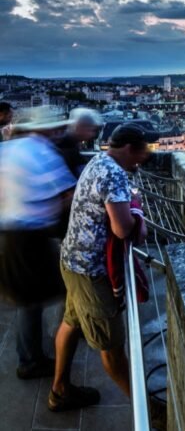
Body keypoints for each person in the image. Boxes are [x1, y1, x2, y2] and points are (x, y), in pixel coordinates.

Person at [50, 124, 153, 411]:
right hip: (91, 271)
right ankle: (151, 413)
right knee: (112, 348)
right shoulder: (115, 173)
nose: (143, 159)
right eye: (142, 152)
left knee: (70, 324)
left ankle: (59, 390)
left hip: (71, 259)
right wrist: (139, 218)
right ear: (130, 149)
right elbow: (124, 230)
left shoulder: (98, 160)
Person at [0, 106, 78, 381]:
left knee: (28, 300)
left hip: (10, 235)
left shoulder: (9, 149)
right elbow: (69, 194)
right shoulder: (41, 151)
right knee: (45, 295)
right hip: (32, 238)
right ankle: (33, 360)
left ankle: (31, 355)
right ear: (44, 130)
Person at [57, 108, 103, 177]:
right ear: (79, 127)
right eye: (91, 129)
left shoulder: (71, 144)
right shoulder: (66, 148)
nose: (92, 134)